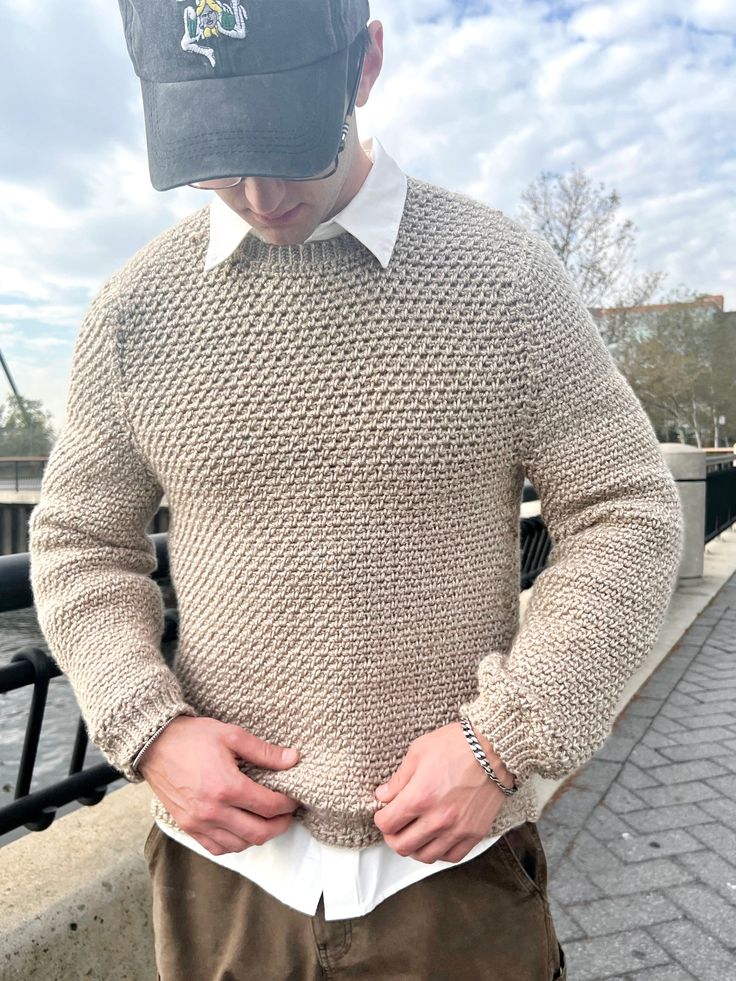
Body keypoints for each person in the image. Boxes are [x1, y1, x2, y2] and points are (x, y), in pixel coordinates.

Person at [28, 1, 684, 979]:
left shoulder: (500, 277)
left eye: (284, 140)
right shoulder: (132, 314)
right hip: (220, 879)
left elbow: (626, 508)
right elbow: (81, 540)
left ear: (364, 62)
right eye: (214, 146)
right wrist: (148, 729)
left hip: (453, 879)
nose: (255, 190)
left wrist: (503, 740)